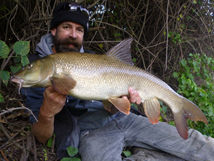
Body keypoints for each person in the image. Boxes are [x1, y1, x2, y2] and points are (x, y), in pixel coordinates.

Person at [21, 1, 214, 161]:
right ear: (53, 30)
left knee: (200, 147)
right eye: (66, 27)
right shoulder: (38, 68)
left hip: (125, 120)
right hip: (91, 134)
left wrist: (123, 100)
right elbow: (41, 136)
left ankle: (175, 110)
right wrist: (46, 113)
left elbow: (111, 106)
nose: (73, 34)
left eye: (79, 29)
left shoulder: (91, 59)